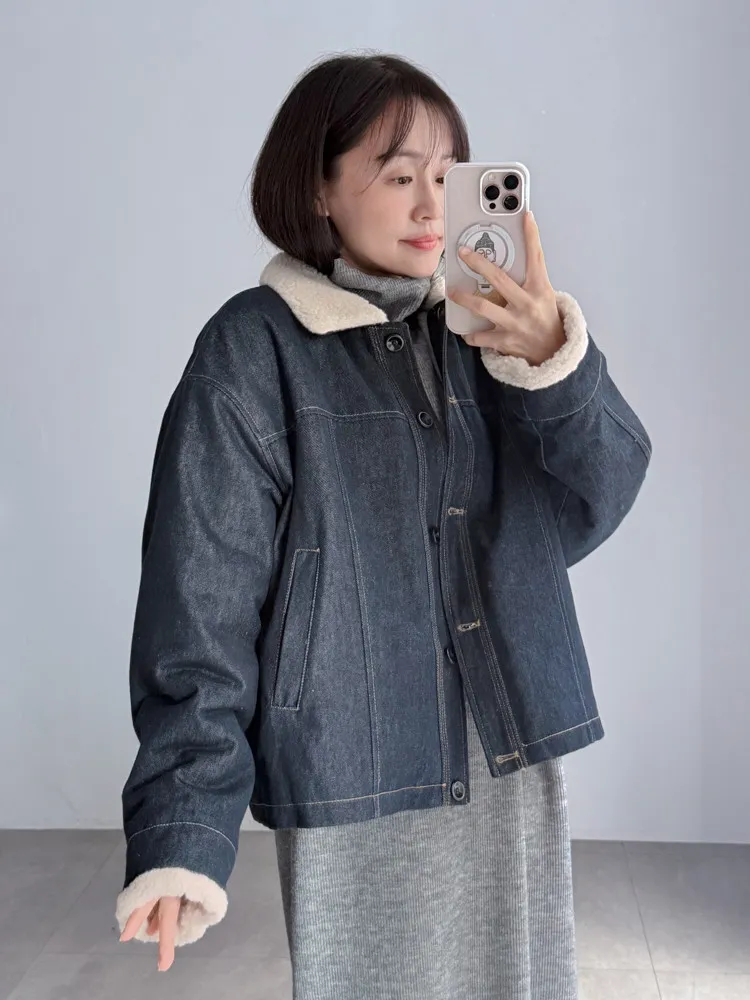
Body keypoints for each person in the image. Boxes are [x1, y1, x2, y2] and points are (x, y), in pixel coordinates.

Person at [116, 51, 651, 999]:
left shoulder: (492, 332)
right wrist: (181, 832)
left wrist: (550, 363)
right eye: (399, 176)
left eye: (446, 176)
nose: (431, 206)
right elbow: (200, 600)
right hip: (349, 749)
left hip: (507, 739)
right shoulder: (252, 350)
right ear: (319, 189)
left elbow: (592, 501)